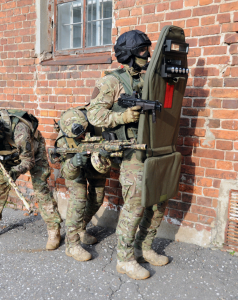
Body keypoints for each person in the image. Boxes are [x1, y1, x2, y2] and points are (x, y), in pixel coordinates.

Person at [87, 30, 169, 280]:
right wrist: (122, 117)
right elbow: (94, 115)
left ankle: (143, 247)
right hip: (129, 152)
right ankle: (125, 259)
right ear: (131, 54)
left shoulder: (146, 79)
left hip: (152, 148)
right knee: (134, 205)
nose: (148, 55)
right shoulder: (111, 82)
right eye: (144, 51)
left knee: (158, 201)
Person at [0, 109, 62, 250]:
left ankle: (53, 230)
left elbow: (28, 161)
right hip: (6, 158)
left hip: (32, 152)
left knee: (41, 188)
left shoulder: (20, 130)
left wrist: (14, 172)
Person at [55, 107, 110, 262]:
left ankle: (80, 228)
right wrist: (73, 163)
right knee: (79, 198)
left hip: (94, 161)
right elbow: (66, 172)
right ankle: (72, 244)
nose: (80, 136)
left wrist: (107, 152)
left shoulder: (95, 122)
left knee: (98, 197)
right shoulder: (63, 139)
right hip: (75, 168)